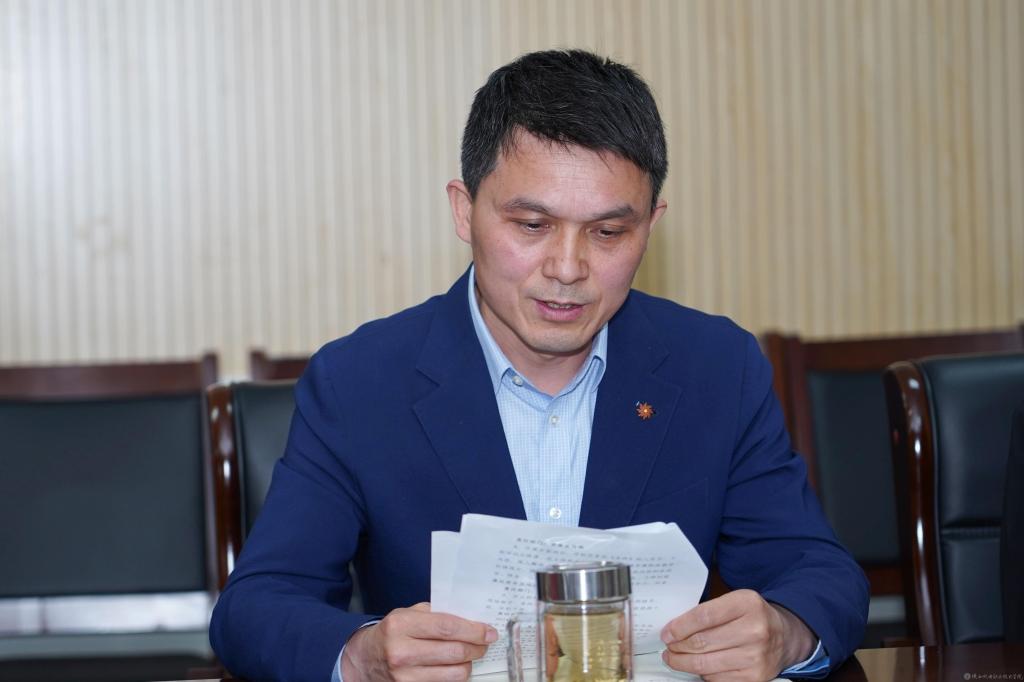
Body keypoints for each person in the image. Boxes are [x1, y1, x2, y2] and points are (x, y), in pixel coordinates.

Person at [210, 49, 868, 682]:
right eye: (531, 225)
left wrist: (784, 631)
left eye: (608, 232)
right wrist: (364, 656)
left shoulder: (716, 368)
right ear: (464, 210)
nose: (568, 268)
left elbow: (821, 575)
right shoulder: (360, 381)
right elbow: (256, 607)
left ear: (650, 225)